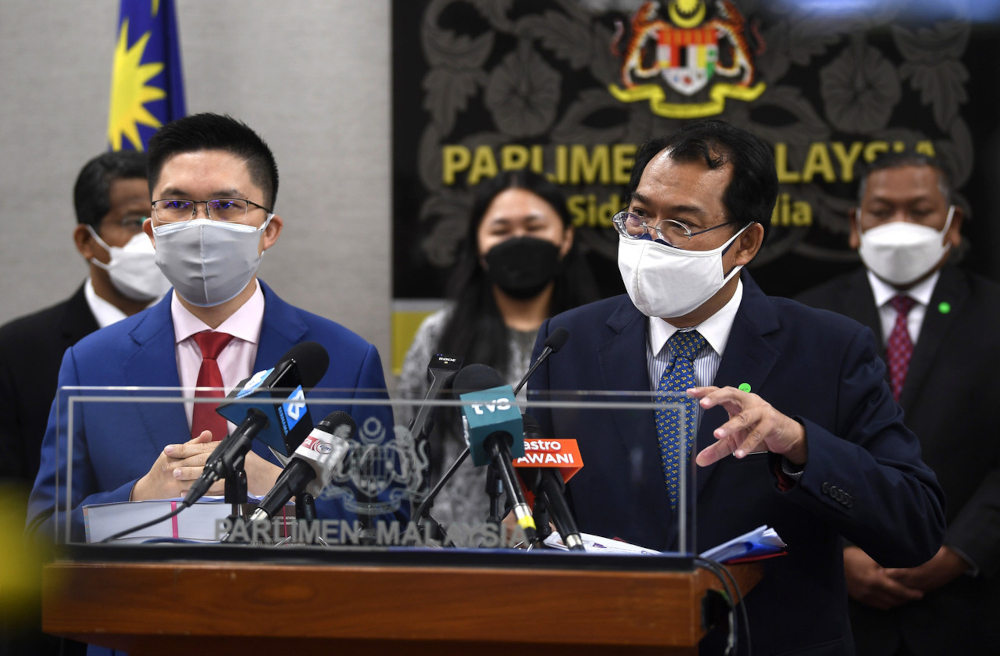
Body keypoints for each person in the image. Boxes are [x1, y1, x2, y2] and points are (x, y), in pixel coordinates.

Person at [527, 120, 945, 655]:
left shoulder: (831, 349)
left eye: (680, 224)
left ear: (744, 244)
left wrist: (800, 446)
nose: (649, 238)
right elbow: (541, 507)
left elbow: (915, 527)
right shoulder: (569, 342)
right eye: (639, 214)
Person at [26, 114, 393, 544]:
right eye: (177, 205)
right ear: (152, 229)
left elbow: (393, 523)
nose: (201, 226)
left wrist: (280, 487)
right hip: (139, 608)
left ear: (268, 230)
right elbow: (40, 535)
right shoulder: (90, 364)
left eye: (226, 205)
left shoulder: (346, 360)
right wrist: (140, 496)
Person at [797, 153, 1000, 654]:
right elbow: (783, 445)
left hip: (968, 611)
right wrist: (841, 554)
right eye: (882, 211)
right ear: (855, 223)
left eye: (921, 211)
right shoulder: (806, 319)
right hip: (835, 610)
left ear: (953, 226)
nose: (899, 227)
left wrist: (958, 550)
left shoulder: (994, 315)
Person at [399, 170, 597, 527]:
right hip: (462, 546)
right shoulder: (439, 335)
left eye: (535, 228)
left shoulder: (594, 334)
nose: (519, 242)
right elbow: (409, 442)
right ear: (478, 245)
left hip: (578, 538)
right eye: (501, 230)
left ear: (566, 238)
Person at [0, 151, 166, 496]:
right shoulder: (17, 351)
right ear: (86, 241)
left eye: (163, 220)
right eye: (135, 222)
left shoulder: (206, 339)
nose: (151, 237)